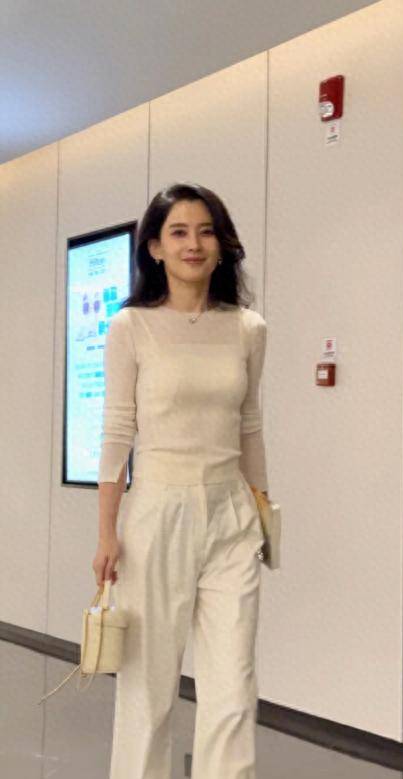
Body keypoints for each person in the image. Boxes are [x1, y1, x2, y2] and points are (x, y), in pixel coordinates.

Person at [93, 181, 269, 779]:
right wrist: (107, 533)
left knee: (233, 688)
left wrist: (263, 513)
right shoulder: (131, 327)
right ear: (155, 248)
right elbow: (117, 432)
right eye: (179, 232)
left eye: (205, 231)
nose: (194, 244)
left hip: (232, 515)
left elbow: (250, 427)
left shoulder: (248, 328)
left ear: (222, 245)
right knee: (148, 688)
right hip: (156, 513)